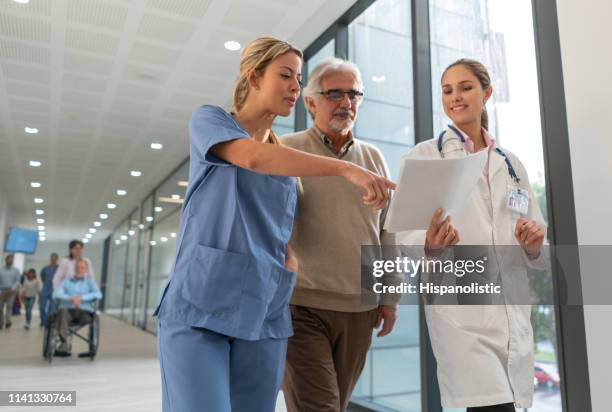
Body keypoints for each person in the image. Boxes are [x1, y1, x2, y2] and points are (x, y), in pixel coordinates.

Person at [153, 37, 395, 412]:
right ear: (253, 77)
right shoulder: (211, 122)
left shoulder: (286, 164)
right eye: (285, 75)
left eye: (298, 79)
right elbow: (252, 159)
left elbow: (281, 225)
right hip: (202, 304)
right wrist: (346, 169)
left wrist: (289, 261)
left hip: (265, 311)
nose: (294, 88)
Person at [399, 58, 547, 411]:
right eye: (447, 90)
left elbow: (537, 241)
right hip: (461, 312)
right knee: (493, 406)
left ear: (487, 93)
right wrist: (429, 244)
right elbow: (402, 234)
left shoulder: (510, 164)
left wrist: (533, 245)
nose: (455, 97)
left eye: (465, 87)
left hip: (511, 309)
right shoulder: (425, 156)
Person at [280, 57, 401, 412]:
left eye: (353, 94)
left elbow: (387, 232)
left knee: (337, 404)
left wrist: (389, 297)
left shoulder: (374, 157)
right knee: (319, 406)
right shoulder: (285, 150)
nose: (346, 103)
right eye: (334, 93)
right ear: (310, 102)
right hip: (301, 306)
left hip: (360, 309)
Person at [53, 259, 102, 356]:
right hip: (67, 312)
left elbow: (99, 294)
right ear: (74, 269)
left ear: (86, 269)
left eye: (82, 267)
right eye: (78, 267)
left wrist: (81, 298)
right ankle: (64, 344)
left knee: (93, 318)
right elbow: (56, 294)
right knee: (62, 312)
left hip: (84, 313)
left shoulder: (90, 283)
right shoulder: (66, 282)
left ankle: (91, 348)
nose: (80, 269)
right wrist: (71, 298)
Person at [0, 254, 21, 329]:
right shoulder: (1, 270)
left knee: (9, 306)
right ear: (6, 260)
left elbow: (17, 281)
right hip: (2, 291)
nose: (10, 261)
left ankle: (8, 322)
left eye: (11, 260)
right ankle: (0, 322)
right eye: (9, 259)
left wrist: (12, 289)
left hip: (12, 291)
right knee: (0, 308)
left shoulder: (16, 270)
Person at [39, 253, 59, 327]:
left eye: (54, 258)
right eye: (52, 258)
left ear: (57, 259)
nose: (53, 260)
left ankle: (49, 323)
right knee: (42, 307)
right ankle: (43, 320)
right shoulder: (45, 268)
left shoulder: (59, 269)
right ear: (50, 259)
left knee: (52, 309)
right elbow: (42, 276)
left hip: (55, 290)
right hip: (45, 289)